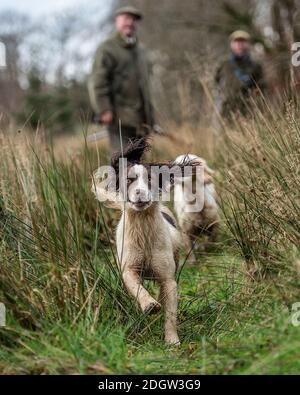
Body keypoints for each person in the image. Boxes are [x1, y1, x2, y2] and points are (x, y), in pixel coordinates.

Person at [89, 6, 155, 151]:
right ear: (116, 22)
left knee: (141, 166)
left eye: (134, 20)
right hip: (119, 118)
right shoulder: (107, 48)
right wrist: (104, 109)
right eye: (126, 18)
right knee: (122, 162)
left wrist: (151, 116)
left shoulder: (141, 50)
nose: (130, 23)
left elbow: (146, 85)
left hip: (141, 119)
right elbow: (98, 81)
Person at [215, 30, 265, 120]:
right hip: (227, 110)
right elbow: (216, 83)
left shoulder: (256, 65)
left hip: (249, 110)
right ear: (232, 44)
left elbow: (262, 88)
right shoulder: (224, 64)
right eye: (237, 42)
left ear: (248, 44)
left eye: (242, 42)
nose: (239, 45)